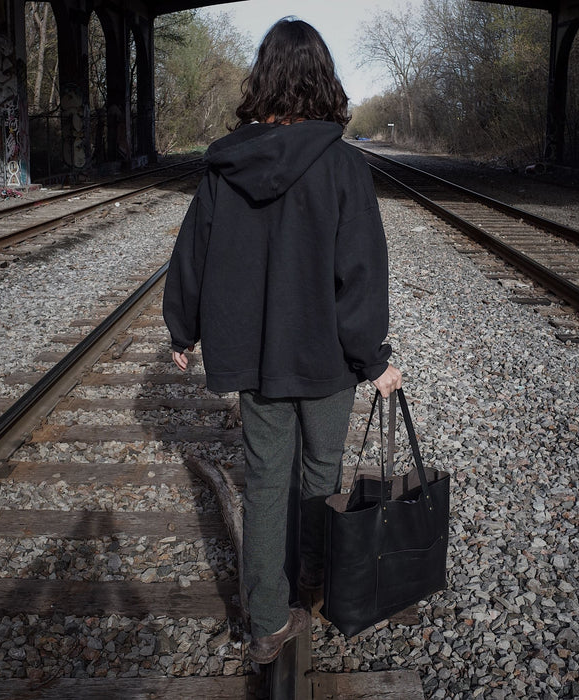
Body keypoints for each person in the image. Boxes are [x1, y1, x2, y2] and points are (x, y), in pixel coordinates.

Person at [162, 17, 402, 664]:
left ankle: (268, 617)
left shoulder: (225, 165)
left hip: (258, 361)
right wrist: (373, 360)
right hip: (325, 360)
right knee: (321, 473)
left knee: (266, 479)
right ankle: (315, 587)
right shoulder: (345, 168)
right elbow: (360, 275)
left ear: (263, 79)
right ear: (323, 79)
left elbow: (193, 254)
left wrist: (183, 328)